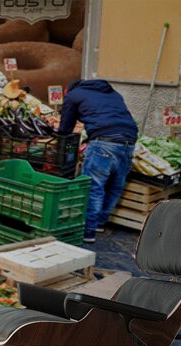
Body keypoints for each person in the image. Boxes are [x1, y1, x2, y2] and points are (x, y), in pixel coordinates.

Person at [58, 79, 138, 243]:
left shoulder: (74, 95)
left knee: (94, 187)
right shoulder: (113, 93)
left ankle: (88, 231)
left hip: (103, 142)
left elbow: (66, 125)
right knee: (115, 185)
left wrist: (61, 137)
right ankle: (100, 223)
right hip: (129, 141)